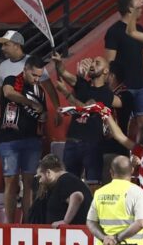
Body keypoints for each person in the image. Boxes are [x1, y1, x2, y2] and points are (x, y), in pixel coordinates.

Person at [51, 53, 122, 189]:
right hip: (72, 141)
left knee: (93, 185)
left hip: (93, 143)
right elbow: (63, 72)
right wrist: (58, 62)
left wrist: (66, 93)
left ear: (106, 71)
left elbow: (86, 109)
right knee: (68, 184)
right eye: (93, 62)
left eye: (97, 63)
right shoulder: (82, 83)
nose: (93, 65)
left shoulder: (106, 94)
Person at [0, 55, 47, 224]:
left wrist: (43, 116)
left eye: (39, 76)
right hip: (9, 140)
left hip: (32, 141)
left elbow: (43, 113)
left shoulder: (39, 90)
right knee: (11, 183)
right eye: (34, 75)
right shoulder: (11, 79)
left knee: (29, 185)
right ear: (25, 70)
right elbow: (8, 93)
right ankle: (9, 225)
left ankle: (27, 223)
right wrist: (31, 104)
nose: (36, 79)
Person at [104, 0, 143, 125]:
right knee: (124, 124)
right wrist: (110, 87)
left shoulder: (140, 29)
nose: (141, 10)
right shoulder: (114, 31)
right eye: (139, 7)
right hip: (124, 88)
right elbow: (110, 62)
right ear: (131, 8)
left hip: (142, 86)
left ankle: (140, 147)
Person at [86, 155, 143, 245]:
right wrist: (116, 239)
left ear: (111, 172)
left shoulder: (100, 192)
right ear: (132, 170)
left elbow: (90, 222)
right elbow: (140, 223)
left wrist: (104, 238)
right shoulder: (138, 192)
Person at [38, 154, 92, 227]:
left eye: (40, 176)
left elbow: (77, 196)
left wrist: (65, 221)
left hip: (73, 234)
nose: (40, 181)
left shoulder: (65, 181)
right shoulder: (66, 180)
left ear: (48, 173)